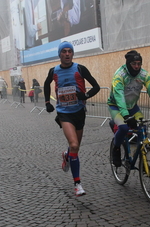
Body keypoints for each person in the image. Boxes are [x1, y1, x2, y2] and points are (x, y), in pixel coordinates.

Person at [43, 41, 100, 197]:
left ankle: (67, 156)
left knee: (75, 148)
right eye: (64, 51)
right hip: (64, 113)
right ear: (60, 54)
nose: (67, 54)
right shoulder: (53, 71)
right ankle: (77, 184)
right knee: (74, 145)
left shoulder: (80, 69)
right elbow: (46, 84)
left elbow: (96, 86)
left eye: (70, 51)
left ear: (72, 54)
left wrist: (86, 95)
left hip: (79, 111)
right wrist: (47, 102)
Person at [107, 50, 150, 167]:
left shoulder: (144, 75)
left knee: (142, 129)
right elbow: (119, 96)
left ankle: (143, 160)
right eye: (133, 64)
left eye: (139, 63)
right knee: (124, 128)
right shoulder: (119, 75)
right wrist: (126, 115)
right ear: (128, 63)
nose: (137, 66)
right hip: (116, 106)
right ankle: (116, 149)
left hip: (132, 107)